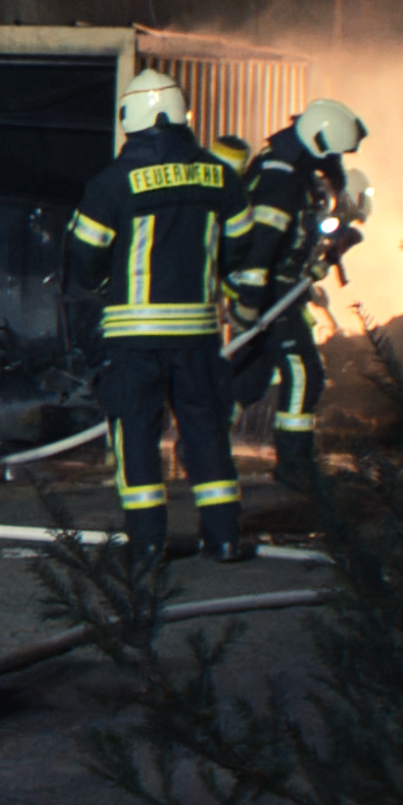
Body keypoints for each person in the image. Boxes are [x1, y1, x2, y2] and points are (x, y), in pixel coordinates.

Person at [69, 66, 249, 562]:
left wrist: (103, 284)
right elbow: (241, 252)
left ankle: (148, 541)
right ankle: (225, 537)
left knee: (137, 437)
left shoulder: (114, 182)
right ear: (181, 114)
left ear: (132, 117)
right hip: (199, 335)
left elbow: (84, 259)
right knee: (207, 432)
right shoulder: (222, 176)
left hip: (135, 338)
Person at [219, 98, 370, 492]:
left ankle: (204, 445)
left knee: (249, 377)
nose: (336, 159)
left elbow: (296, 237)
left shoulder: (298, 173)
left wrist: (324, 253)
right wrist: (249, 303)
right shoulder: (280, 179)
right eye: (334, 150)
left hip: (278, 288)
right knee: (305, 371)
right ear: (319, 142)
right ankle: (294, 463)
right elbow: (261, 248)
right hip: (267, 290)